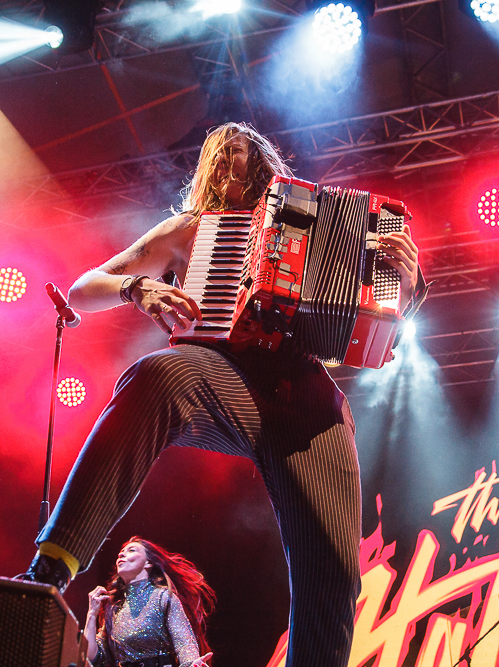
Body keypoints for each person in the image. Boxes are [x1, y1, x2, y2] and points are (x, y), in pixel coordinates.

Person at [22, 122, 426, 667]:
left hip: (306, 397)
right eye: (222, 153)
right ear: (207, 168)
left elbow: (375, 322)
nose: (233, 161)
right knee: (157, 374)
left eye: (244, 153)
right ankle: (45, 576)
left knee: (331, 569)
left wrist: (403, 284)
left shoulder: (309, 221)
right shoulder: (188, 229)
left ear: (265, 164)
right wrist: (137, 287)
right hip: (220, 373)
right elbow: (81, 289)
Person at [84, 538, 214, 667]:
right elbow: (92, 657)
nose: (121, 554)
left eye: (131, 550)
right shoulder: (114, 607)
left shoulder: (163, 597)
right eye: (121, 551)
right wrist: (91, 614)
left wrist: (192, 664)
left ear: (148, 563)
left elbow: (184, 642)